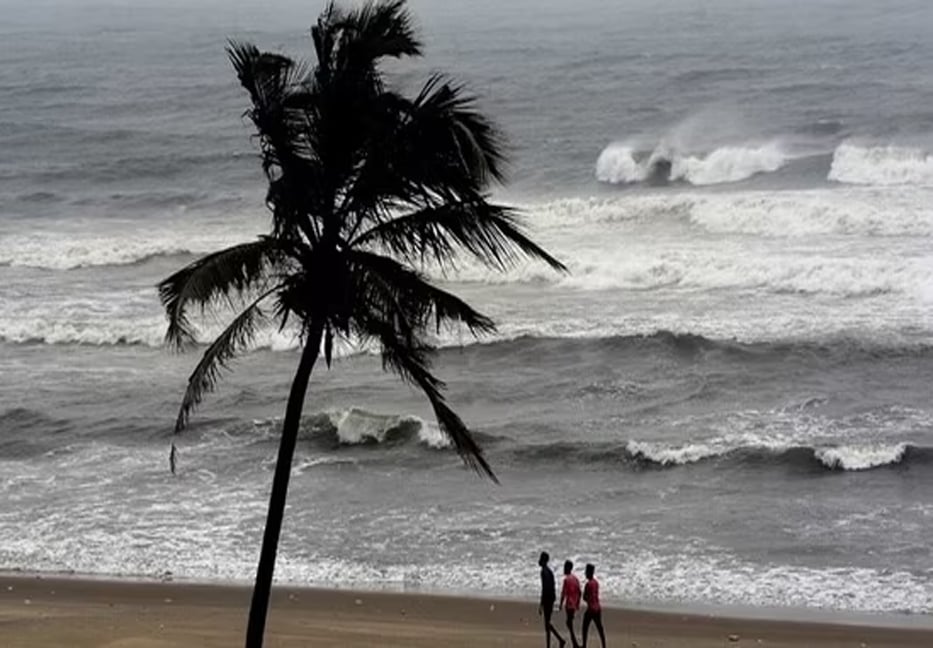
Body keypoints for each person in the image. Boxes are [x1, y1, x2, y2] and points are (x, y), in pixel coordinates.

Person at [538, 551, 566, 648]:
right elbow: (553, 585)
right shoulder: (550, 572)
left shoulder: (543, 572)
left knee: (547, 623)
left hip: (547, 598)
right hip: (551, 597)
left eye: (541, 559)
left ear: (543, 560)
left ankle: (559, 639)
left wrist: (541, 603)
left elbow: (544, 588)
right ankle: (550, 644)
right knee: (547, 623)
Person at [581, 563, 606, 648]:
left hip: (591, 609)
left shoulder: (588, 584)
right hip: (598, 608)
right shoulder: (596, 583)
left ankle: (584, 645)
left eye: (586, 572)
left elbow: (585, 597)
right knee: (600, 628)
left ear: (588, 572)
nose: (585, 573)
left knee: (585, 627)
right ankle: (604, 645)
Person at [559, 559, 582, 648]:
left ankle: (575, 643)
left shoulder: (566, 580)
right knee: (569, 623)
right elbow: (580, 592)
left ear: (568, 568)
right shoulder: (575, 579)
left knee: (569, 624)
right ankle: (574, 643)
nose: (564, 569)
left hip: (569, 605)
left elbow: (563, 593)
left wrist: (561, 604)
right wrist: (577, 603)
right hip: (574, 604)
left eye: (565, 567)